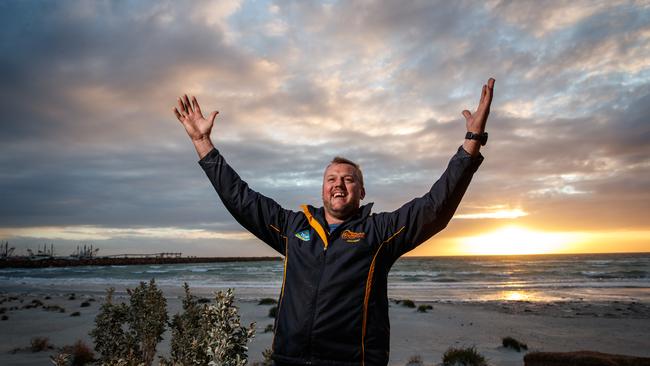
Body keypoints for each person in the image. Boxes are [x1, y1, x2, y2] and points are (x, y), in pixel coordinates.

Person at [173, 78, 495, 366]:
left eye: (348, 179)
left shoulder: (378, 234)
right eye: (331, 178)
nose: (338, 184)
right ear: (323, 188)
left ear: (361, 190)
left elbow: (435, 207)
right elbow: (240, 199)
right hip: (289, 359)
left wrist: (472, 140)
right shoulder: (292, 228)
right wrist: (203, 143)